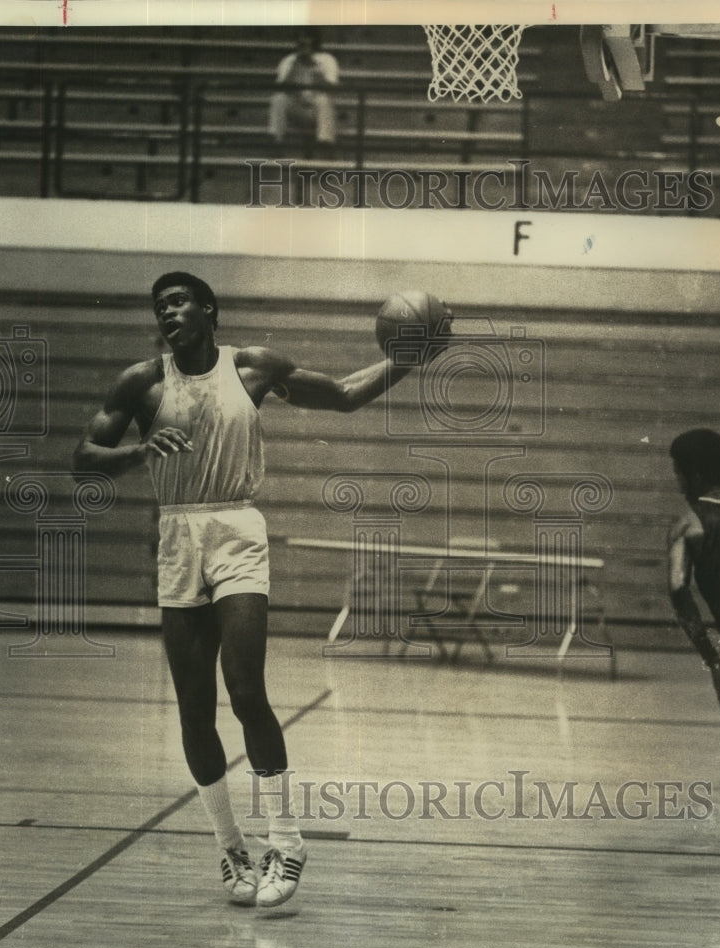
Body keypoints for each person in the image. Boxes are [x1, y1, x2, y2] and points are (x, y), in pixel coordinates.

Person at [72, 272, 448, 907]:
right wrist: (135, 456)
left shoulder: (253, 367)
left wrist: (404, 360)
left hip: (237, 530)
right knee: (194, 708)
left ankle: (288, 841)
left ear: (209, 310)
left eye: (178, 301)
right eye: (159, 306)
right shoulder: (142, 382)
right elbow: (83, 456)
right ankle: (231, 849)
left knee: (246, 690)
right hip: (177, 535)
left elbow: (345, 395)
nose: (167, 312)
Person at [666, 428, 720, 719]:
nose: (679, 486)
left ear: (695, 475)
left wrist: (713, 660)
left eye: (678, 475)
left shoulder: (688, 526)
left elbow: (679, 592)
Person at [268, 28, 339, 159]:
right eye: (300, 38)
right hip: (296, 107)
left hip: (317, 109)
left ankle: (325, 143)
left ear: (314, 40)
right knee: (279, 98)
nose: (303, 41)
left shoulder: (327, 59)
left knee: (324, 99)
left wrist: (314, 66)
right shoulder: (289, 60)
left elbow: (332, 89)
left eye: (307, 37)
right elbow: (281, 87)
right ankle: (276, 141)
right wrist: (296, 65)